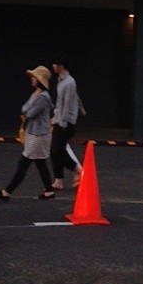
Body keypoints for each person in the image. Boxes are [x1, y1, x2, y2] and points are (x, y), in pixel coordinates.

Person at [0, 65, 55, 201]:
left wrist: (27, 111)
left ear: (39, 80)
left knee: (24, 163)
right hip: (36, 133)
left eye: (34, 77)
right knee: (40, 163)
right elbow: (25, 109)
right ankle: (49, 191)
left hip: (38, 135)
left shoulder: (42, 97)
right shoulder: (37, 94)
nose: (32, 79)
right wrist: (27, 111)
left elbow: (30, 113)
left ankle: (7, 192)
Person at [50, 54, 83, 190]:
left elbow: (67, 104)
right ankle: (59, 180)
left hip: (66, 122)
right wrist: (54, 118)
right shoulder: (61, 81)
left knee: (57, 150)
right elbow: (60, 104)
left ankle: (78, 170)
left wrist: (62, 123)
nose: (53, 67)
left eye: (55, 64)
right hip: (60, 120)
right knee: (55, 151)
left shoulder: (69, 82)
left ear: (61, 66)